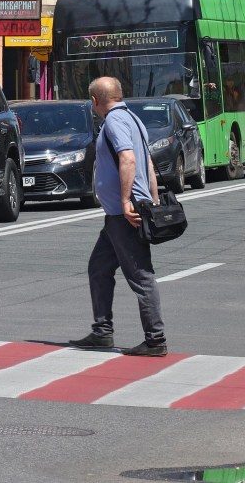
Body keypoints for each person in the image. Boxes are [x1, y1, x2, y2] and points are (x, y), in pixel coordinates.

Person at [69, 76, 167, 357]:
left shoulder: (113, 122)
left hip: (125, 214)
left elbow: (129, 158)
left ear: (95, 101)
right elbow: (147, 162)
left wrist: (127, 201)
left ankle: (155, 339)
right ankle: (101, 332)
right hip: (118, 215)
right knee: (99, 267)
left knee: (140, 276)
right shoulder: (133, 119)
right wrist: (153, 199)